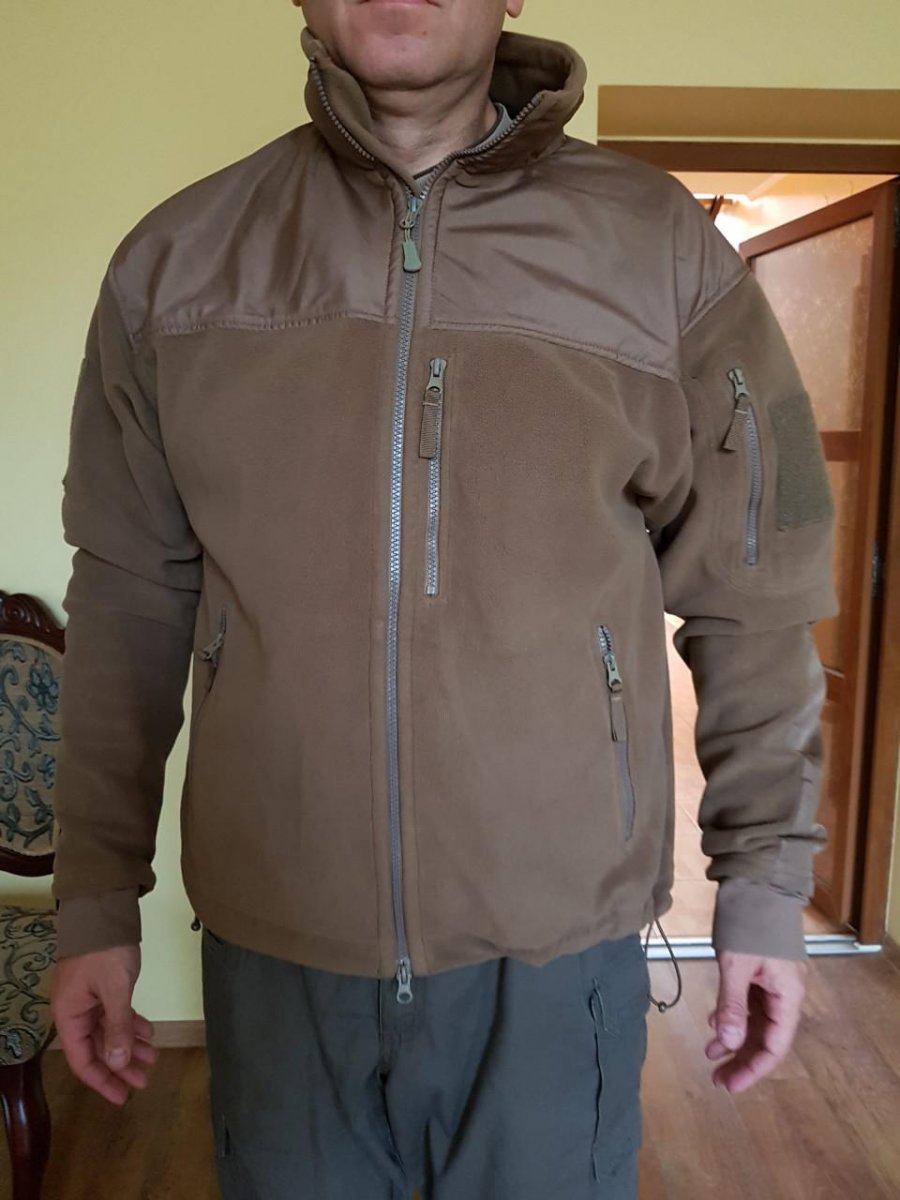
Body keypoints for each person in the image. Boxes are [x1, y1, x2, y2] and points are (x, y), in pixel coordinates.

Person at [49, 1, 837, 1196]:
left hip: (556, 960)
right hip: (278, 957)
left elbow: (759, 585)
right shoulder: (175, 263)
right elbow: (125, 602)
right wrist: (96, 896)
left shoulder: (665, 253)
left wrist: (767, 886)